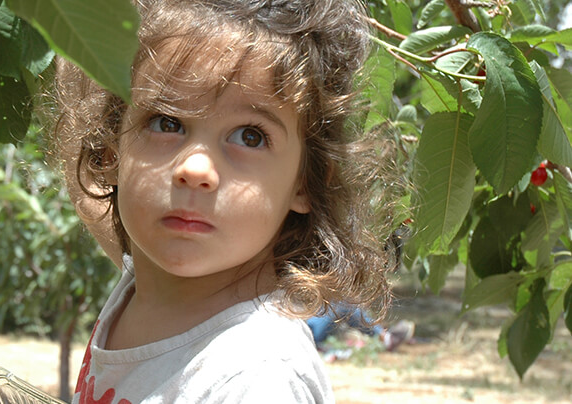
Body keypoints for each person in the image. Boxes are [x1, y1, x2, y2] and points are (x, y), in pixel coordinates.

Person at [42, 0, 401, 402]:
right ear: (110, 153)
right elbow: (90, 199)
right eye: (167, 123)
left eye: (250, 136)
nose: (195, 169)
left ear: (305, 183)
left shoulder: (257, 380)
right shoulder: (151, 287)